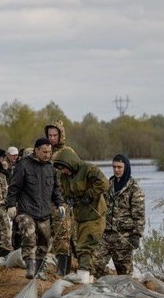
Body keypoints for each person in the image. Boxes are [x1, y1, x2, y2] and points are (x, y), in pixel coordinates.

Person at [6, 138, 65, 279]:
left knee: (45, 242)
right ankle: (30, 267)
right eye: (44, 152)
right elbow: (14, 187)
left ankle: (39, 270)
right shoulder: (23, 165)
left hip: (44, 212)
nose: (47, 155)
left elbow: (55, 189)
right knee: (29, 236)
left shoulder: (50, 167)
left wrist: (60, 204)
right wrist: (11, 205)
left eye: (49, 152)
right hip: (26, 211)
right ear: (36, 150)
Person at [53, 150, 108, 284]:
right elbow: (63, 192)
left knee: (85, 246)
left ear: (70, 163)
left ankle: (83, 278)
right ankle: (89, 279)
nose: (63, 171)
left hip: (94, 216)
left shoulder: (89, 169)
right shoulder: (64, 177)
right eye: (61, 169)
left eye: (64, 168)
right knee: (81, 247)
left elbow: (104, 183)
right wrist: (69, 199)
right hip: (79, 218)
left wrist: (89, 194)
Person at [92, 155, 146, 279]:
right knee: (94, 264)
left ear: (126, 167)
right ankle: (106, 288)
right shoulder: (108, 185)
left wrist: (136, 235)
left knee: (125, 275)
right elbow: (99, 203)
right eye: (114, 167)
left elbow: (139, 216)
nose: (116, 170)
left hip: (123, 237)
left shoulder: (135, 189)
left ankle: (124, 296)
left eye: (119, 167)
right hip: (105, 235)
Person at [44, 119, 78, 277]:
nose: (52, 138)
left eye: (54, 135)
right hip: (46, 200)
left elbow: (77, 173)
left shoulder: (67, 152)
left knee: (63, 233)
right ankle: (57, 266)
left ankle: (63, 270)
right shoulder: (44, 151)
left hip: (63, 199)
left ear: (60, 135)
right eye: (49, 135)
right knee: (49, 234)